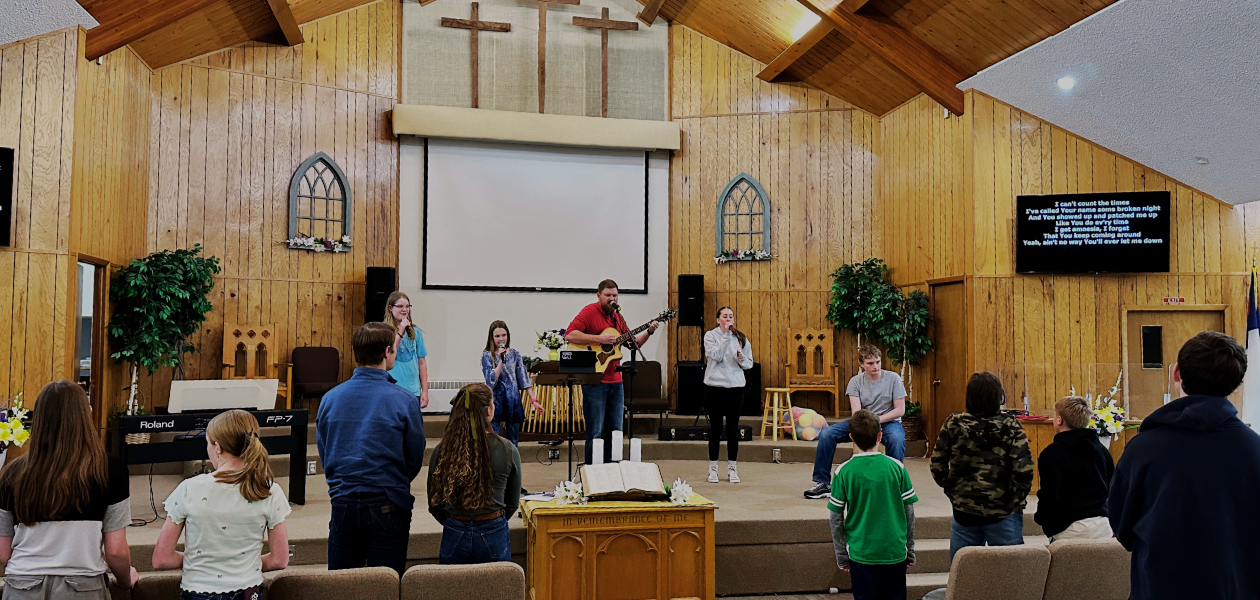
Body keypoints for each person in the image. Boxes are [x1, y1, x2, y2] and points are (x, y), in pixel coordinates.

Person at [1108, 331, 1260, 600]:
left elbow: (1122, 527)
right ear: (1237, 381)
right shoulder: (1255, 448)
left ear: (1176, 372)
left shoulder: (1143, 449)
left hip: (1161, 588)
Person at [0, 381, 138, 598]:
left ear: (40, 420)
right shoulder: (110, 469)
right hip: (82, 587)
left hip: (22, 586)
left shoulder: (13, 473)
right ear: (85, 415)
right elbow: (115, 551)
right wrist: (125, 579)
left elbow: (3, 552)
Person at [317, 322, 427, 575]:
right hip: (387, 501)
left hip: (343, 501)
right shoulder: (404, 399)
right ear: (387, 352)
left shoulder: (330, 398)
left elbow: (325, 452)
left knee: (342, 585)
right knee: (386, 585)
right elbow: (414, 456)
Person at [153, 410, 291, 600]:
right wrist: (243, 563)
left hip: (198, 592)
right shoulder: (269, 490)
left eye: (208, 443)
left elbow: (161, 559)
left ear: (217, 447)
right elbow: (279, 560)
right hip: (248, 592)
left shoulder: (188, 488)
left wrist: (202, 562)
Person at [929, 372, 1033, 562]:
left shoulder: (953, 424)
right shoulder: (1011, 426)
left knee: (963, 575)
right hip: (1004, 512)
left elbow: (937, 465)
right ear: (998, 397)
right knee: (1011, 574)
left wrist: (954, 492)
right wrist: (1014, 501)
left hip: (964, 510)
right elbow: (1024, 471)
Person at [565, 279, 658, 465]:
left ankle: (612, 470)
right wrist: (599, 339)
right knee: (595, 430)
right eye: (608, 295)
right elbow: (570, 335)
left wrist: (649, 331)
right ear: (599, 296)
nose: (612, 299)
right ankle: (592, 471)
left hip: (616, 382)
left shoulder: (618, 317)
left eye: (615, 295)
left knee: (616, 430)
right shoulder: (589, 311)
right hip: (595, 382)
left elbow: (633, 344)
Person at [427, 383, 522, 565]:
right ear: (488, 411)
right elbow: (512, 503)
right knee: (497, 583)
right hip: (493, 528)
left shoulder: (442, 449)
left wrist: (456, 522)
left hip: (454, 529)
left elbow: (435, 503)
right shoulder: (507, 449)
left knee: (454, 583)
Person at [828, 409, 917, 600]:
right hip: (894, 552)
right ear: (880, 436)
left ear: (851, 438)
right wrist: (909, 551)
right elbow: (909, 514)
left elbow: (835, 518)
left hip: (862, 554)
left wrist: (841, 554)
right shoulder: (898, 468)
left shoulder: (843, 472)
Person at [805, 345, 908, 500]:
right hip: (862, 421)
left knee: (896, 439)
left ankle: (895, 484)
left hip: (888, 422)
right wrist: (868, 422)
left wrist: (878, 419)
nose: (875, 366)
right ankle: (823, 483)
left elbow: (900, 410)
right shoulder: (855, 382)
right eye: (870, 363)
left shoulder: (894, 379)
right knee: (827, 434)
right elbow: (856, 413)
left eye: (878, 362)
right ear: (861, 364)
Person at [1033, 396, 1114, 543]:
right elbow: (1111, 487)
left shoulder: (1052, 453)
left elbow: (1050, 496)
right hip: (1103, 525)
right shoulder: (1102, 450)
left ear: (1059, 420)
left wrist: (1043, 520)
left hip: (1069, 527)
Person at [703, 307, 753, 484]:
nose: (728, 319)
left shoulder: (740, 337)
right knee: (716, 429)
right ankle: (713, 468)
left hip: (735, 388)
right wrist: (726, 337)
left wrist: (741, 359)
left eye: (731, 316)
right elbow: (716, 356)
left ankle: (732, 468)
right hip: (715, 387)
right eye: (724, 316)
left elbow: (749, 364)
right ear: (718, 320)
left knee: (733, 429)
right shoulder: (710, 336)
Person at [481, 320, 543, 447]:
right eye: (497, 336)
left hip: (513, 401)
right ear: (492, 338)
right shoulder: (487, 356)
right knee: (493, 438)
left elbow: (523, 379)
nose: (501, 339)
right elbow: (490, 380)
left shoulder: (515, 354)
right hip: (496, 401)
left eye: (504, 335)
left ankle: (512, 459)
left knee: (513, 440)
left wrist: (534, 400)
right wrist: (501, 361)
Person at [384, 291, 430, 410]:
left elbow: (422, 362)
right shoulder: (384, 331)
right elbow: (388, 355)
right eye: (400, 306)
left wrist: (425, 391)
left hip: (412, 390)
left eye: (407, 306)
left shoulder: (416, 332)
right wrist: (400, 331)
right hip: (392, 388)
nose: (404, 310)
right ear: (390, 308)